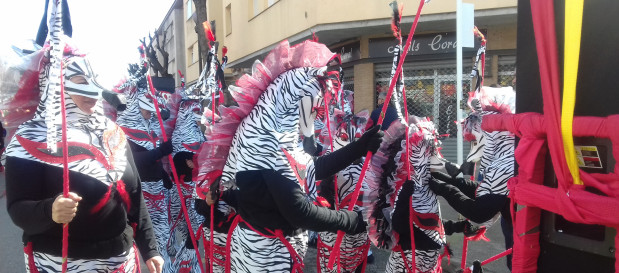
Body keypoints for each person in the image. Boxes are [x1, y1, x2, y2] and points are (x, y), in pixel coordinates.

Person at [5, 38, 163, 272]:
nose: (92, 92)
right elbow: (17, 207)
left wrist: (150, 249)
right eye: (80, 82)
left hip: (122, 260)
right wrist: (50, 210)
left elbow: (134, 196)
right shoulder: (32, 136)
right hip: (61, 263)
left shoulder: (113, 133)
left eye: (94, 81)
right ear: (57, 86)